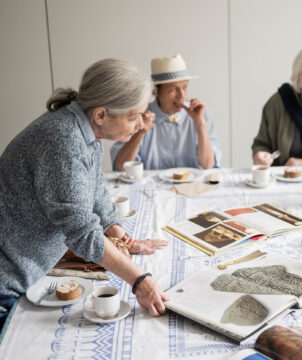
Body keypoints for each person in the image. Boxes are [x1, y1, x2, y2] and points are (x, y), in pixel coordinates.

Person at [0, 58, 170, 331]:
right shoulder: (63, 140)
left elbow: (94, 187)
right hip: (8, 282)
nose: (140, 124)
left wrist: (113, 228)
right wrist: (139, 280)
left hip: (28, 269)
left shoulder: (84, 126)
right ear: (102, 114)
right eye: (133, 116)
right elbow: (81, 232)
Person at [110, 54, 221, 171]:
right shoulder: (138, 115)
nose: (182, 95)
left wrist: (200, 124)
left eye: (184, 87)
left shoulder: (200, 113)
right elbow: (122, 167)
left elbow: (208, 165)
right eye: (173, 89)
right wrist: (140, 132)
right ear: (156, 91)